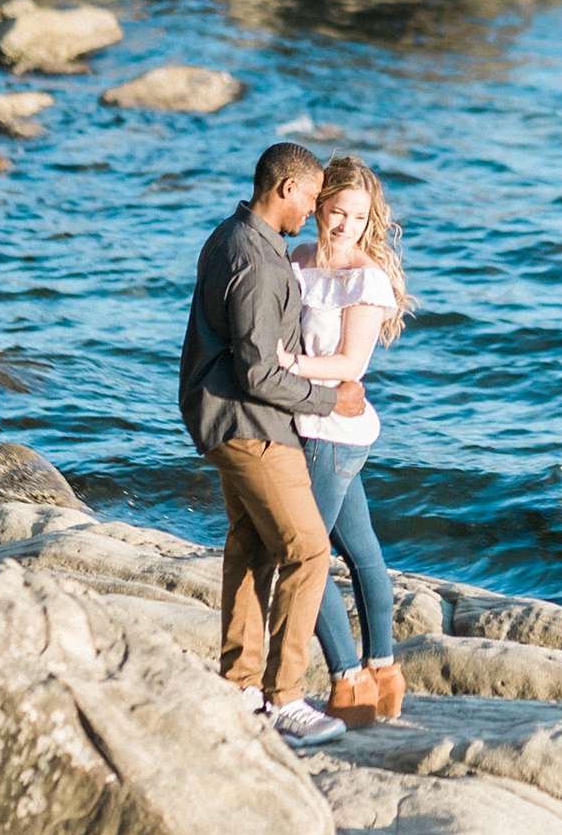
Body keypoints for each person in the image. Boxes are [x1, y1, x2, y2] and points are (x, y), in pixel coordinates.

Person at [179, 142, 366, 747]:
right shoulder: (258, 262)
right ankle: (285, 700)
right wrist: (330, 400)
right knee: (309, 551)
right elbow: (260, 374)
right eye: (312, 197)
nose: (314, 209)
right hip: (250, 424)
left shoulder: (231, 235)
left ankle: (239, 683)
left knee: (252, 545)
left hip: (223, 415)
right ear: (285, 188)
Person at [278, 155, 417, 728]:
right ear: (318, 207)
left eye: (359, 218)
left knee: (302, 557)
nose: (346, 226)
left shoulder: (366, 278)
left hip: (331, 433)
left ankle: (347, 680)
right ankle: (383, 672)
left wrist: (284, 364)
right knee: (359, 552)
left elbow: (349, 365)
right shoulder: (298, 260)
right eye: (338, 213)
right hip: (311, 426)